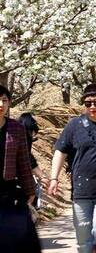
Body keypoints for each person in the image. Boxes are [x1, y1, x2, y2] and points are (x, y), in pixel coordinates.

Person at [49, 83, 96, 253]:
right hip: (81, 190)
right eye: (87, 103)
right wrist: (54, 178)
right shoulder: (74, 125)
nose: (92, 107)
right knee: (83, 239)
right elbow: (60, 151)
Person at [0, 85, 41, 253]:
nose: (0, 104)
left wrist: (30, 190)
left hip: (8, 190)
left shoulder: (16, 128)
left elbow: (23, 162)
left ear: (9, 102)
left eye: (4, 100)